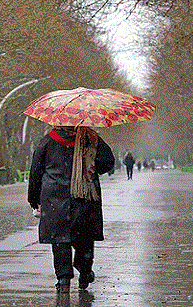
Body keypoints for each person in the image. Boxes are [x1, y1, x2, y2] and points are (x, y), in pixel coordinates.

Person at [28, 125, 115, 293]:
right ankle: (85, 271)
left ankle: (63, 278)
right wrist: (89, 166)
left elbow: (36, 171)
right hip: (84, 198)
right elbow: (108, 163)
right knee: (84, 237)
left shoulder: (48, 140)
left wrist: (33, 198)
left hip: (55, 198)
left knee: (60, 239)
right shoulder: (91, 138)